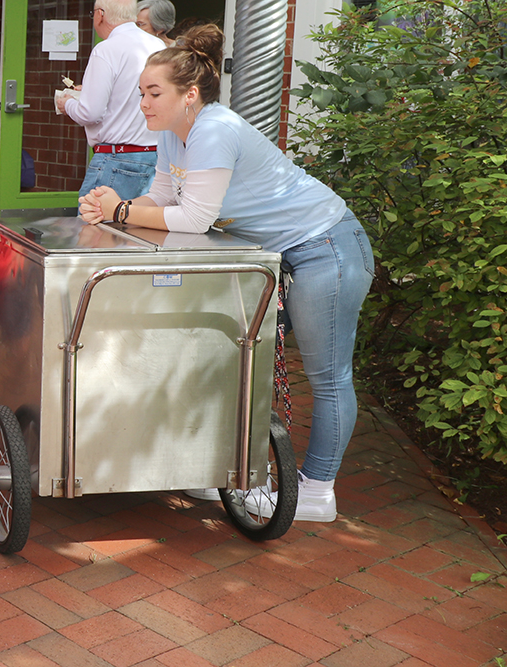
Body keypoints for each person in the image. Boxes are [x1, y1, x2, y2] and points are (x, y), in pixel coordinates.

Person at [79, 24, 375, 522]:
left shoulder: (213, 129)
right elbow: (163, 199)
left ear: (189, 94)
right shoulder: (175, 134)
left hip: (327, 245)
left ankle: (318, 491)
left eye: (154, 93)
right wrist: (114, 206)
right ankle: (219, 466)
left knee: (326, 377)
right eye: (141, 94)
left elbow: (194, 218)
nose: (144, 104)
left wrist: (121, 211)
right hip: (285, 253)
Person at [56, 0, 165, 200]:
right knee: (137, 228)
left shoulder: (106, 49)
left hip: (116, 159)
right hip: (155, 157)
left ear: (101, 14)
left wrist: (68, 103)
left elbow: (90, 113)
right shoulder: (158, 45)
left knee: (95, 227)